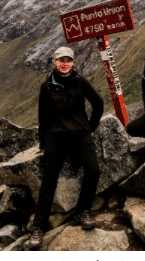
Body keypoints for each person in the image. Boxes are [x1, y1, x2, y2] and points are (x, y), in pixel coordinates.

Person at [29, 46, 104, 250]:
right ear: (54, 61)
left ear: (73, 63)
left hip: (80, 134)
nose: (65, 64)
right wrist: (43, 142)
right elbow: (42, 115)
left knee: (94, 170)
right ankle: (38, 228)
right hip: (56, 136)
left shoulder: (80, 81)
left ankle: (82, 211)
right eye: (61, 60)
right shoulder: (47, 86)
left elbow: (98, 103)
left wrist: (90, 127)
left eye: (68, 60)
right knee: (49, 180)